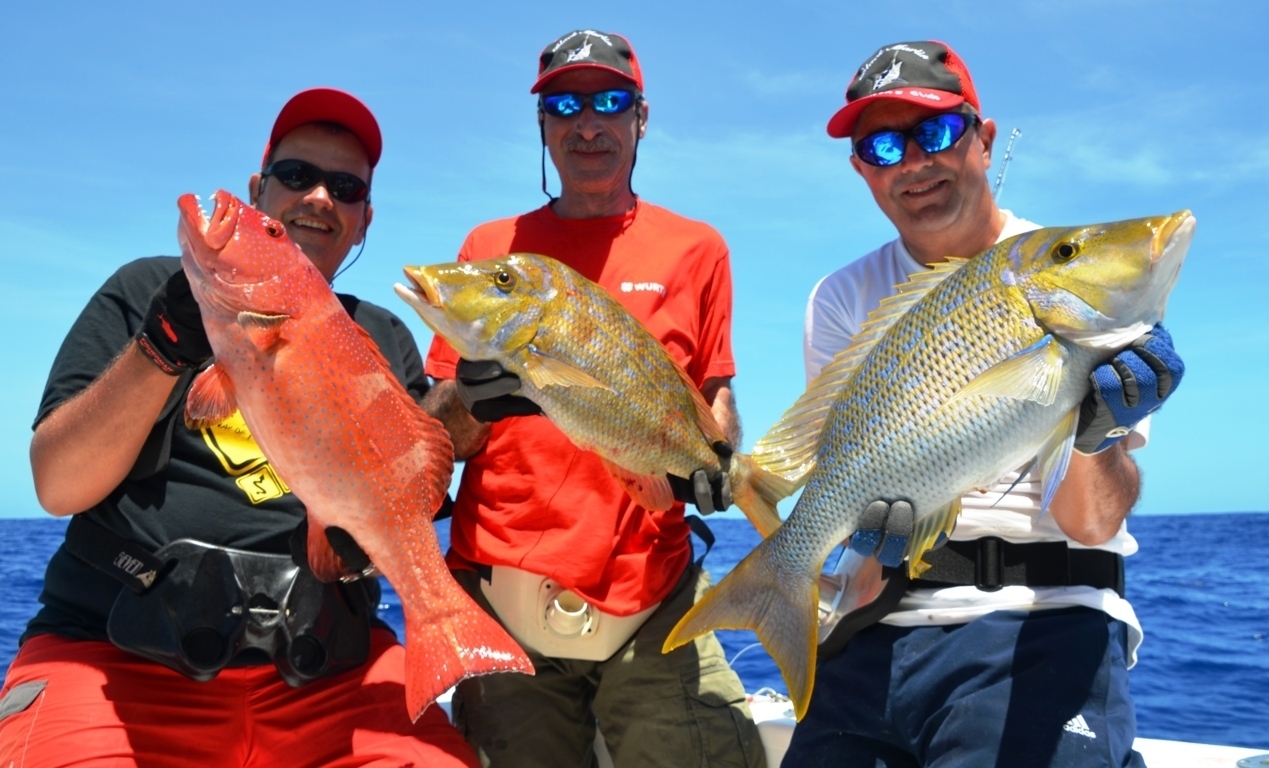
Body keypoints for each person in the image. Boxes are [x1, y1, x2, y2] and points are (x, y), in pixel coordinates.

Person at [0, 88, 479, 768]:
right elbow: (57, 486)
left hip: (331, 672)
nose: (318, 196)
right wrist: (160, 349)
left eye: (344, 188)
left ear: (363, 219)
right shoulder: (146, 291)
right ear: (259, 190)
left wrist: (478, 397)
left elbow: (416, 476)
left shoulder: (382, 335)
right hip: (114, 656)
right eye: (295, 176)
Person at [783, 41, 1184, 767]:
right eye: (881, 145)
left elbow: (1089, 523)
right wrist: (861, 543)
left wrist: (1098, 435)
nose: (911, 163)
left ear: (983, 137)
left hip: (1042, 620)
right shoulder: (840, 297)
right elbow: (845, 483)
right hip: (874, 621)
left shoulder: (1073, 282)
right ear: (861, 170)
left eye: (933, 133)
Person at [421, 29, 766, 768]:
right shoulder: (492, 250)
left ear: (641, 118)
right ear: (542, 125)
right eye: (564, 105)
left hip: (656, 588)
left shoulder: (696, 248)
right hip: (500, 595)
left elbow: (714, 396)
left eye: (609, 102)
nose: (587, 124)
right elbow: (437, 443)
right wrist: (470, 402)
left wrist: (718, 463)